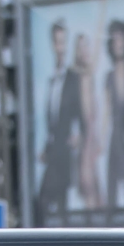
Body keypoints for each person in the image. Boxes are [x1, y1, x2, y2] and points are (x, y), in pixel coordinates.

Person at [36, 19, 81, 223]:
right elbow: (52, 122)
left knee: (54, 202)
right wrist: (46, 148)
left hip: (65, 152)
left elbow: (81, 115)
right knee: (49, 204)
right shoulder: (51, 79)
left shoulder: (73, 78)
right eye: (57, 42)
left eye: (63, 42)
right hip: (53, 150)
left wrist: (78, 136)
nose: (60, 47)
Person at [103, 19, 124, 214]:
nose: (119, 44)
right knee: (112, 193)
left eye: (121, 39)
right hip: (115, 141)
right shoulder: (108, 77)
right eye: (115, 40)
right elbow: (106, 114)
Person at [73, 32, 104, 214]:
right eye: (81, 47)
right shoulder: (77, 78)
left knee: (96, 189)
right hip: (85, 141)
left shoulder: (91, 77)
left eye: (87, 46)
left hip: (92, 139)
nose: (85, 51)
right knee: (87, 186)